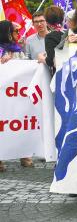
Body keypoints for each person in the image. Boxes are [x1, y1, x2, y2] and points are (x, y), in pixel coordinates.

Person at [0, 20, 33, 171]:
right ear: (7, 33)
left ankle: (24, 154)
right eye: (15, 31)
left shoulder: (19, 49)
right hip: (3, 97)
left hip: (17, 95)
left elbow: (26, 67)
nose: (18, 34)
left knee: (19, 123)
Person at [43, 5, 65, 75]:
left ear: (47, 22)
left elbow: (51, 61)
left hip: (61, 74)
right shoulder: (70, 32)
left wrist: (42, 58)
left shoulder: (50, 37)